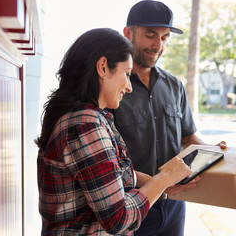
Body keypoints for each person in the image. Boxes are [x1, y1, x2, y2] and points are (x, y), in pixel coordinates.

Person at [35, 28, 192, 235]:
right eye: (126, 74)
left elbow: (105, 173)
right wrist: (165, 177)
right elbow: (118, 219)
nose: (129, 87)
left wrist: (160, 183)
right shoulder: (85, 125)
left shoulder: (92, 117)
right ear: (102, 67)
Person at [112, 0, 227, 236]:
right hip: (133, 205)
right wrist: (160, 183)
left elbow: (187, 137)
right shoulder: (112, 88)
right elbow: (110, 161)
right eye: (151, 35)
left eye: (164, 38)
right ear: (128, 33)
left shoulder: (174, 85)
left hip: (175, 205)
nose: (158, 45)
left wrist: (213, 152)